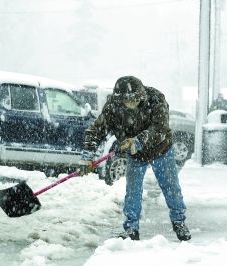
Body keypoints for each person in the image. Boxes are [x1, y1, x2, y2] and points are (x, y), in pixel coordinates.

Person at [81, 76, 191, 241]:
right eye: (128, 101)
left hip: (161, 149)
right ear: (120, 99)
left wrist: (138, 140)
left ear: (141, 95)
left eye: (135, 99)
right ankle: (131, 228)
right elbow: (97, 130)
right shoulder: (113, 107)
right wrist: (87, 156)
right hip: (135, 155)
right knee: (133, 191)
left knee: (171, 187)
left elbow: (159, 129)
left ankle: (179, 221)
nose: (132, 103)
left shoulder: (155, 99)